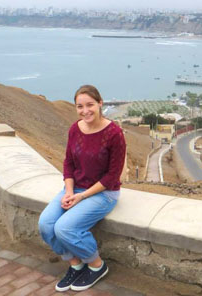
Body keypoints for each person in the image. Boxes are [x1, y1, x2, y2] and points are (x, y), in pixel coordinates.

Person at [38, 85, 126, 292]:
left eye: (90, 105)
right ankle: (75, 264)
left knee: (65, 228)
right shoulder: (75, 129)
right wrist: (69, 191)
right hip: (74, 188)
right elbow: (69, 163)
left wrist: (82, 196)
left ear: (100, 103)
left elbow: (112, 176)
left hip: (104, 193)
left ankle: (96, 265)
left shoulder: (114, 134)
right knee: (46, 223)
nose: (85, 110)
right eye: (80, 106)